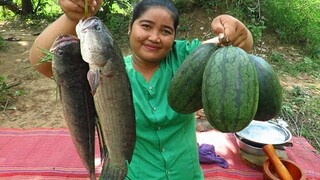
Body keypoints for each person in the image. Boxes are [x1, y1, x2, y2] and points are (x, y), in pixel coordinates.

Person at [29, 0, 253, 179]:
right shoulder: (107, 72)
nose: (154, 37)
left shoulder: (185, 59)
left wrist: (235, 30)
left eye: (166, 31)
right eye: (146, 26)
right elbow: (41, 60)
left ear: (174, 37)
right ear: (130, 28)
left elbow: (233, 49)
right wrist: (71, 16)